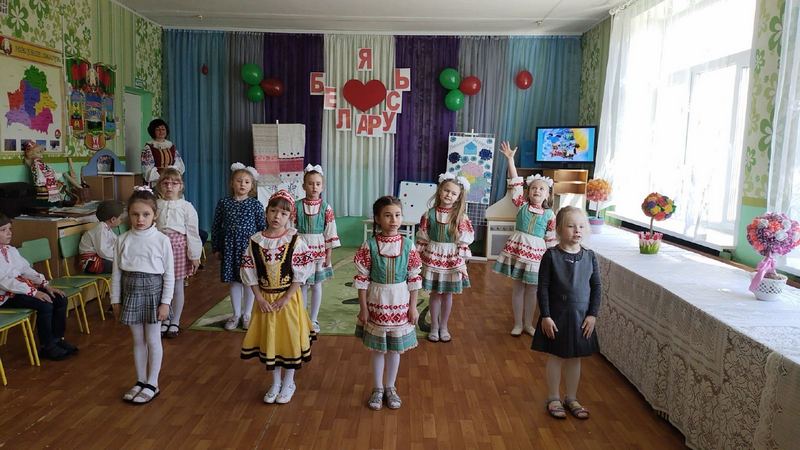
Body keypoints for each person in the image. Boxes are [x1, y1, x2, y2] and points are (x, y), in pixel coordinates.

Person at [240, 190, 316, 404]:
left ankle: (289, 382)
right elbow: (249, 272)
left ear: (290, 216)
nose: (277, 216)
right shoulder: (255, 241)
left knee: (289, 338)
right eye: (273, 211)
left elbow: (300, 275)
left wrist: (286, 298)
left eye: (283, 213)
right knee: (271, 340)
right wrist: (259, 298)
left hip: (288, 300)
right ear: (266, 212)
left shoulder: (295, 241)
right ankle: (275, 383)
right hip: (265, 300)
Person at [531, 206, 601, 420]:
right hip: (556, 316)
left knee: (575, 359)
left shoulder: (590, 256)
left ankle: (571, 397)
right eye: (571, 226)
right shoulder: (551, 256)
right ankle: (553, 397)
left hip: (581, 317)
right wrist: (545, 316)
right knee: (556, 357)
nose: (577, 230)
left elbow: (596, 287)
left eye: (581, 226)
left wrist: (592, 315)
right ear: (559, 229)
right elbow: (543, 287)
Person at [354, 196, 422, 411]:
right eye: (387, 215)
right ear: (377, 218)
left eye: (397, 215)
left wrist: (413, 307)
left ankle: (390, 387)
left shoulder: (408, 245)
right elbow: (362, 280)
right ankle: (378, 388)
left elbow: (414, 278)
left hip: (401, 301)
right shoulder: (369, 245)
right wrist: (363, 308)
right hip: (377, 301)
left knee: (394, 350)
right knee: (378, 349)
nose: (393, 220)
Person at [111, 187, 175, 405]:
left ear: (154, 215)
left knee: (153, 339)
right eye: (135, 214)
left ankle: (153, 383)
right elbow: (116, 273)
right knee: (138, 340)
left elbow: (169, 275)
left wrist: (165, 302)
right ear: (128, 215)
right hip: (130, 292)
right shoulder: (122, 239)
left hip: (153, 293)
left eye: (146, 214)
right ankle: (140, 380)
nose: (140, 219)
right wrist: (115, 300)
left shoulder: (162, 240)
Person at [493, 141, 557, 337]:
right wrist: (510, 160)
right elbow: (515, 182)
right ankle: (518, 323)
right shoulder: (521, 204)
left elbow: (551, 240)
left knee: (532, 290)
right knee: (518, 288)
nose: (537, 191)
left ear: (547, 195)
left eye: (541, 189)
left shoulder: (550, 215)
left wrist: (551, 262)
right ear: (528, 191)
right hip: (518, 249)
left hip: (537, 255)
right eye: (533, 188)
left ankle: (529, 324)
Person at [0, 214, 77, 360]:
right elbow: (5, 282)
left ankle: (57, 339)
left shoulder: (10, 250)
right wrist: (34, 292)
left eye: (9, 229)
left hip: (19, 289)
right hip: (5, 296)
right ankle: (47, 347)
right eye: (3, 230)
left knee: (59, 298)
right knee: (45, 304)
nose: (9, 233)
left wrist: (45, 285)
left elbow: (25, 269)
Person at [416, 173, 474, 343]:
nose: (449, 195)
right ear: (440, 190)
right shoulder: (429, 214)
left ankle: (444, 326)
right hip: (433, 255)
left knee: (447, 294)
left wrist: (461, 259)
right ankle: (434, 326)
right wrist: (417, 259)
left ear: (458, 197)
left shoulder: (461, 217)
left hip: (451, 257)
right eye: (446, 190)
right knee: (435, 293)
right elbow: (423, 238)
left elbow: (464, 239)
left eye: (453, 193)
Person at [211, 163, 265, 331]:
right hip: (230, 248)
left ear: (252, 186)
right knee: (234, 281)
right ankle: (236, 314)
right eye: (239, 181)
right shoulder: (224, 203)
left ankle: (247, 314)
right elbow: (216, 226)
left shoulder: (255, 204)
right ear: (232, 183)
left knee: (249, 281)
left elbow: (262, 228)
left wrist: (261, 250)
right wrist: (216, 247)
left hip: (249, 249)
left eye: (247, 182)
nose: (242, 184)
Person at [155, 168, 202, 338]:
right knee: (160, 285)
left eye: (174, 183)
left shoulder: (186, 207)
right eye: (166, 183)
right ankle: (165, 317)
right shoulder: (155, 205)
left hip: (178, 248)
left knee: (177, 286)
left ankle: (175, 320)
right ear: (160, 185)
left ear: (180, 186)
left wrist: (195, 255)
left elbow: (192, 232)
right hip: (158, 248)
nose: (169, 186)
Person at [294, 164, 340, 333]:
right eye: (310, 183)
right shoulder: (296, 206)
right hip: (300, 250)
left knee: (316, 285)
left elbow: (330, 232)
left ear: (323, 186)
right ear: (303, 185)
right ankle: (302, 317)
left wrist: (329, 255)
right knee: (302, 284)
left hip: (319, 251)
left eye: (318, 184)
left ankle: (313, 319)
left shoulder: (326, 207)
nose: (314, 187)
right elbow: (291, 229)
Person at [79, 200, 124, 274]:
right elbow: (103, 251)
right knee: (121, 266)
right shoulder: (100, 229)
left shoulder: (107, 229)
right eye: (120, 219)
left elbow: (116, 242)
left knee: (124, 263)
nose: (121, 221)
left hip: (100, 259)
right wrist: (119, 257)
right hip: (90, 263)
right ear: (113, 219)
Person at [140, 119, 185, 185]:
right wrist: (164, 172)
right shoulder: (148, 148)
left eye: (163, 129)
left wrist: (172, 171)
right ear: (153, 131)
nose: (161, 131)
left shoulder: (171, 147)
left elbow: (179, 165)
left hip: (170, 181)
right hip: (156, 183)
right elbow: (147, 171)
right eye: (158, 129)